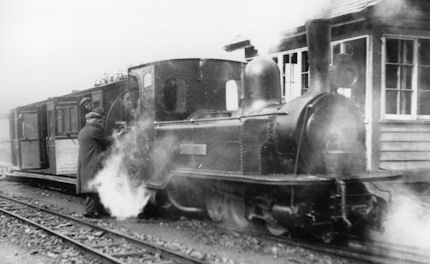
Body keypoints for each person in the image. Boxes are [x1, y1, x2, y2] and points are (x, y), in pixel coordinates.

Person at [76, 107, 109, 218]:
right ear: (92, 120)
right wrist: (118, 136)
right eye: (99, 120)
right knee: (93, 188)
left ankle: (98, 210)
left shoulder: (83, 131)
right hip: (94, 162)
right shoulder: (96, 130)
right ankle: (90, 211)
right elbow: (107, 142)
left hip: (86, 163)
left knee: (93, 187)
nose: (100, 122)